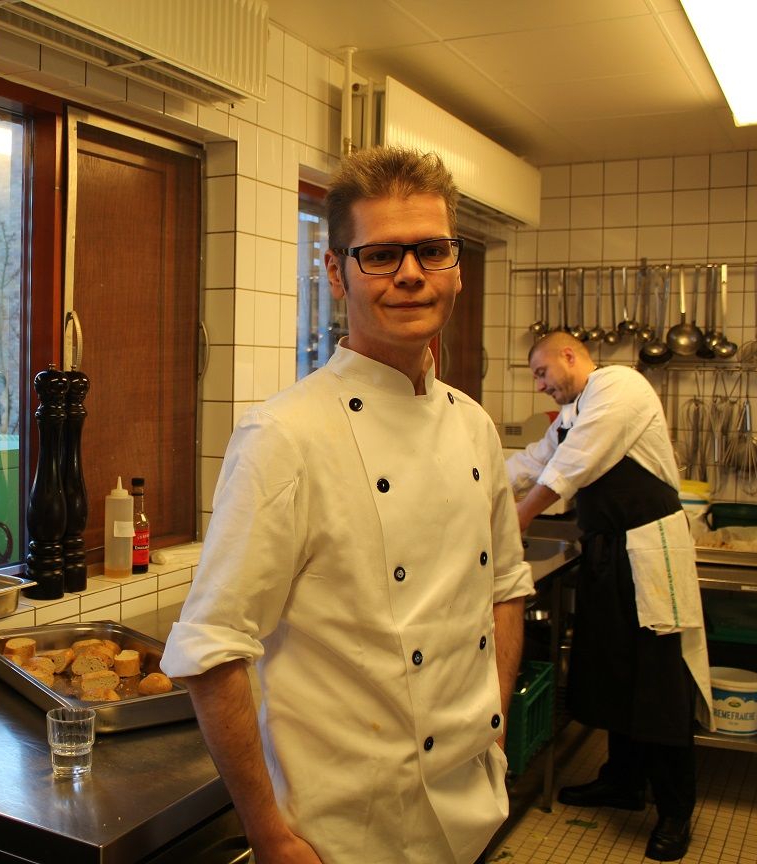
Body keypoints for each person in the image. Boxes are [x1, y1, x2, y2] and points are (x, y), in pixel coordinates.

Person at [161, 146, 534, 864]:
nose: (411, 274)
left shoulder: (474, 425)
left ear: (456, 267)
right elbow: (211, 651)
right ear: (336, 273)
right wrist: (269, 837)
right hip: (343, 835)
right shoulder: (286, 436)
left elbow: (506, 588)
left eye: (431, 251)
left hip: (473, 808)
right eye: (381, 255)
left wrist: (491, 728)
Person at [506, 332, 713, 862]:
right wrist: (475, 483)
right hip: (607, 553)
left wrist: (519, 516)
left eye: (541, 372)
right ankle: (623, 780)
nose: (539, 385)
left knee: (659, 681)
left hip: (650, 554)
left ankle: (675, 810)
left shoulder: (620, 387)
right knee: (616, 670)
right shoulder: (573, 412)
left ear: (568, 355)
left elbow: (573, 464)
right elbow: (533, 460)